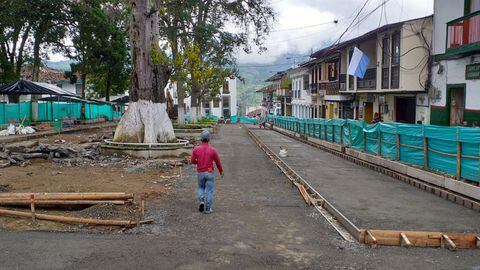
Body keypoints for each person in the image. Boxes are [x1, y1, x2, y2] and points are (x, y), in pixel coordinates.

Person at [190, 130, 224, 214]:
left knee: (201, 187)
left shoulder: (196, 149)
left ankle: (201, 201)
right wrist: (221, 171)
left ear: (201, 139)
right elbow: (218, 162)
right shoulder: (213, 150)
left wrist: (199, 161)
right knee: (209, 190)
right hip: (209, 172)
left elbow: (192, 161)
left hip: (200, 172)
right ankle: (208, 209)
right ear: (209, 139)